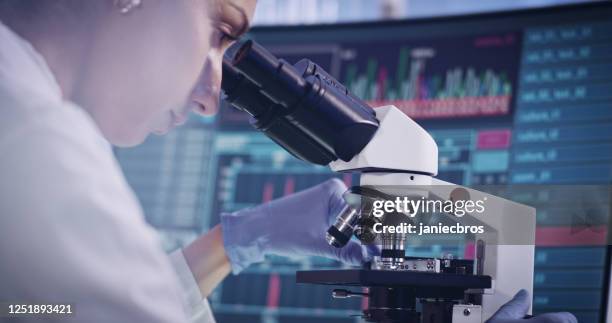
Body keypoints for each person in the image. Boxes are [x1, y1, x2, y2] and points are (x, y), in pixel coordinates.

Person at [0, 1, 576, 322]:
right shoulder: (34, 145)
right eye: (216, 30)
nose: (210, 96)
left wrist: (235, 241)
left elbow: (45, 308)